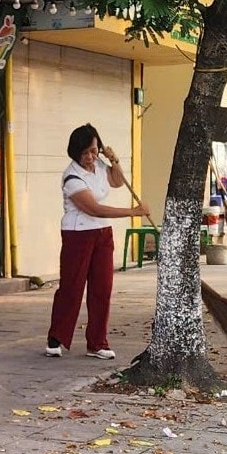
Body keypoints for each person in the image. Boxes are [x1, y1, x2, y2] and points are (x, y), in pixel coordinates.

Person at [45, 123, 148, 360]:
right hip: (78, 233)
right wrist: (133, 212)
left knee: (102, 288)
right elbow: (94, 209)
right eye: (85, 153)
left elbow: (117, 181)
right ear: (75, 153)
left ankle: (97, 343)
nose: (90, 157)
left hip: (102, 234)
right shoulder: (72, 177)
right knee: (72, 287)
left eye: (94, 151)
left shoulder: (100, 165)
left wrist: (114, 160)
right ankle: (56, 337)